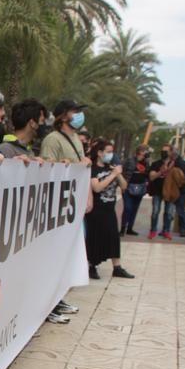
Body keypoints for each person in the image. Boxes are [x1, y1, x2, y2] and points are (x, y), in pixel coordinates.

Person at [38, 99, 87, 324]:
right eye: (75, 112)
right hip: (56, 210)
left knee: (66, 256)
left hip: (72, 208)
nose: (78, 115)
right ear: (63, 115)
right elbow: (47, 170)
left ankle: (59, 297)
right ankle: (48, 303)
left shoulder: (76, 138)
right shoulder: (52, 139)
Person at [85, 140, 134, 279]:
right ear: (100, 153)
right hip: (96, 209)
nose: (110, 155)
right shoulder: (93, 168)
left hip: (109, 209)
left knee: (113, 237)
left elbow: (124, 186)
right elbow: (97, 187)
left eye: (112, 152)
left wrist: (117, 173)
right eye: (108, 152)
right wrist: (112, 175)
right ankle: (91, 266)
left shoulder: (111, 167)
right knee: (94, 238)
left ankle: (117, 267)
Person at [146, 145, 179, 239]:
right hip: (157, 191)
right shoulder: (156, 164)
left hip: (170, 192)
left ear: (171, 152)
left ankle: (166, 231)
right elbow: (151, 177)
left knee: (169, 213)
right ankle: (153, 230)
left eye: (166, 151)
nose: (164, 153)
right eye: (162, 151)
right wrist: (160, 172)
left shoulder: (175, 164)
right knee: (155, 211)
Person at [120, 145, 149, 236]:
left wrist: (146, 181)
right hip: (129, 187)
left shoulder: (146, 162)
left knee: (134, 209)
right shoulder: (129, 160)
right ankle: (123, 228)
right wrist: (123, 184)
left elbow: (147, 173)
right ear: (139, 152)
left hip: (140, 188)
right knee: (128, 208)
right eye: (144, 151)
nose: (146, 153)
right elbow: (122, 171)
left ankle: (130, 228)